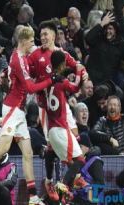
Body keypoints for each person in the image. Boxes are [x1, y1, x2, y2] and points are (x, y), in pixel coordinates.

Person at [0, 26, 61, 205]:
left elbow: (12, 71)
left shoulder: (19, 57)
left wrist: (5, 74)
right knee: (4, 147)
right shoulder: (19, 59)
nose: (33, 45)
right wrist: (51, 80)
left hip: (19, 111)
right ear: (24, 41)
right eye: (32, 41)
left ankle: (33, 197)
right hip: (12, 108)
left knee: (27, 153)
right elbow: (30, 88)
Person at [27, 19, 87, 201]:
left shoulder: (61, 53)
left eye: (45, 34)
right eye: (41, 35)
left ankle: (74, 178)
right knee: (53, 145)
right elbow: (24, 72)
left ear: (54, 36)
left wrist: (83, 70)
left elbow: (77, 64)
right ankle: (53, 180)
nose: (42, 37)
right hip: (45, 108)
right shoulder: (35, 54)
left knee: (75, 136)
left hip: (61, 104)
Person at [45, 50, 87, 203]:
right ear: (62, 65)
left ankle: (65, 196)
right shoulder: (61, 82)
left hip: (52, 130)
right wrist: (78, 70)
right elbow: (75, 87)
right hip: (61, 129)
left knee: (72, 163)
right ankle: (63, 184)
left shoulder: (49, 82)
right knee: (80, 161)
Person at [72, 132, 105, 205]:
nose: (77, 149)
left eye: (80, 146)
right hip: (79, 198)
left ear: (87, 147)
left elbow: (101, 184)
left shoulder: (96, 162)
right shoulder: (80, 161)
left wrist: (83, 185)